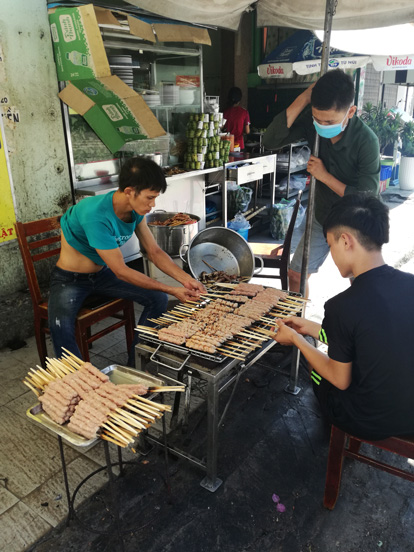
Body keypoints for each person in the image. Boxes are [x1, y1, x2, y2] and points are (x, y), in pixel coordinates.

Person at [273, 193, 414, 440]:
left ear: (346, 241)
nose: (331, 254)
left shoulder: (342, 306)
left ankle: (331, 429)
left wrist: (297, 340)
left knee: (317, 370)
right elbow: (371, 336)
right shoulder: (409, 284)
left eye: (330, 245)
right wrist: (312, 328)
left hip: (370, 421)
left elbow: (340, 380)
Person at [48, 157, 205, 365]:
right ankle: (78, 384)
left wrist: (185, 280)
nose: (152, 205)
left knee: (157, 299)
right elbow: (121, 270)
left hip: (103, 275)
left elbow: (154, 251)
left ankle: (137, 365)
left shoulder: (134, 210)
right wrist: (172, 289)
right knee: (60, 327)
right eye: (150, 198)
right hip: (70, 279)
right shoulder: (95, 214)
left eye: (155, 198)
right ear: (130, 191)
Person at [263, 69, 380, 297]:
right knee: (295, 274)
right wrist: (306, 97)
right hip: (322, 216)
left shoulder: (367, 141)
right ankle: (301, 329)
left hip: (356, 221)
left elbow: (366, 197)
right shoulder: (312, 122)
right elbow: (270, 140)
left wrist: (324, 176)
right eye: (317, 119)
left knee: (362, 283)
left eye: (330, 121)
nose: (322, 125)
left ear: (351, 111)